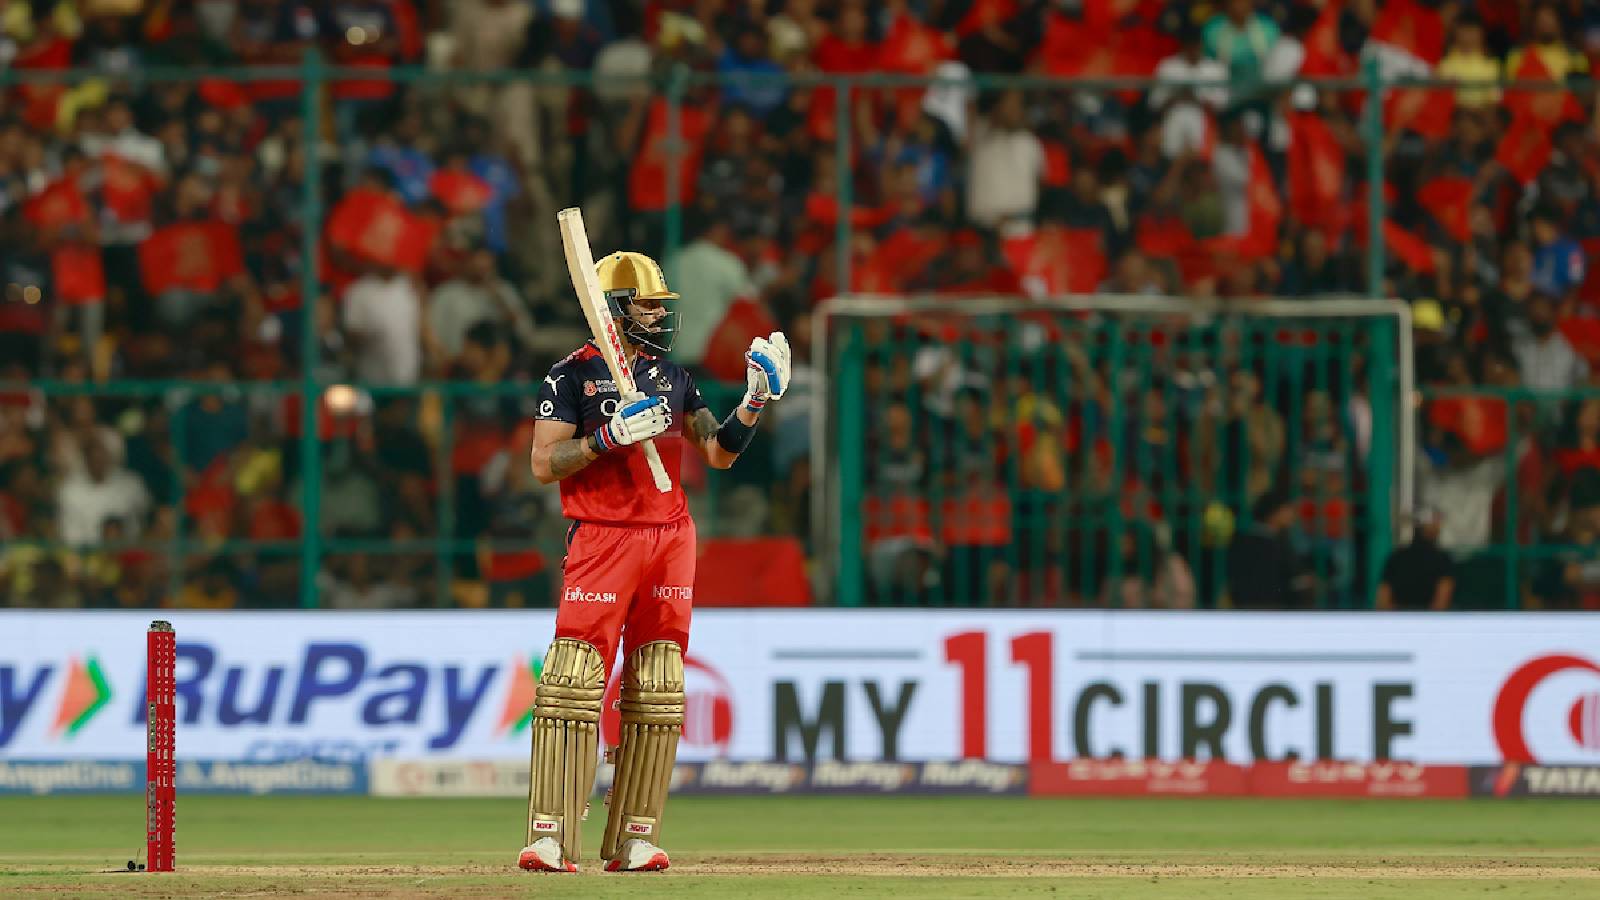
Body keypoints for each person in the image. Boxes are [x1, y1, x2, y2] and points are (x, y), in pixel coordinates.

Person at [517, 250, 789, 874]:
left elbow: (718, 452)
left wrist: (752, 404)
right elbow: (542, 464)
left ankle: (636, 837)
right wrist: (608, 438)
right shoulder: (570, 378)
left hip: (670, 536)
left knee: (659, 684)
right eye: (647, 305)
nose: (660, 316)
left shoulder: (673, 377)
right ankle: (550, 836)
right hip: (602, 536)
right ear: (613, 307)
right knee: (571, 682)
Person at [1376, 508, 1455, 610]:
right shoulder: (1443, 560)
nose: (1438, 527)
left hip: (1397, 621)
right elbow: (1441, 603)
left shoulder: (1396, 557)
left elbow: (1382, 602)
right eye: (1436, 524)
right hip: (1428, 622)